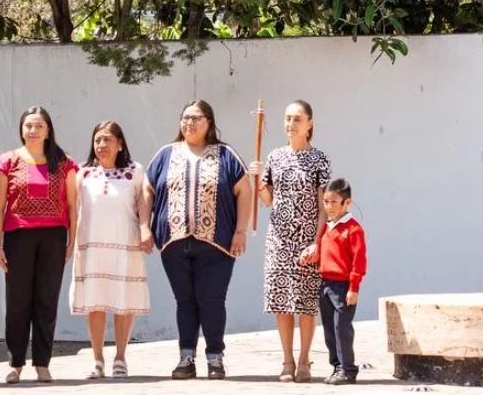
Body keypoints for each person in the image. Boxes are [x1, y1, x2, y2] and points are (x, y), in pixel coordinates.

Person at [146, 100, 251, 381]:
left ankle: (215, 357)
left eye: (196, 118)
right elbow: (147, 189)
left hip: (217, 243)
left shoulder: (226, 155)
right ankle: (186, 358)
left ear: (209, 122)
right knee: (185, 301)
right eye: (185, 117)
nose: (189, 123)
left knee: (212, 299)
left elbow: (244, 190)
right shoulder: (165, 154)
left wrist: (240, 231)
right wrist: (145, 226)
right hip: (174, 242)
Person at [0, 107, 79, 384]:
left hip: (54, 237)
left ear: (48, 130)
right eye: (28, 125)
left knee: (46, 300)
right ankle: (15, 362)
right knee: (17, 300)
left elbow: (73, 205)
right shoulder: (7, 161)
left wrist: (72, 240)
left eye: (39, 126)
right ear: (21, 129)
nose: (33, 131)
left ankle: (42, 363)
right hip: (17, 236)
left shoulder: (64, 163)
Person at [248, 101, 330, 383]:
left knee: (306, 302)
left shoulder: (319, 159)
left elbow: (323, 205)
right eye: (287, 118)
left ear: (309, 123)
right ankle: (287, 360)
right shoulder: (275, 157)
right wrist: (257, 182)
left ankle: (305, 359)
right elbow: (268, 200)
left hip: (307, 238)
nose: (291, 124)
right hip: (279, 239)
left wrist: (318, 241)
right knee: (281, 301)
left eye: (297, 119)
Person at [70, 121, 152, 380]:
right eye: (97, 140)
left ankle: (120, 358)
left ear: (120, 144)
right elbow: (72, 208)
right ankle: (97, 359)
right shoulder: (82, 172)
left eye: (107, 139)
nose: (102, 145)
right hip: (91, 245)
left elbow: (144, 202)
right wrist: (70, 240)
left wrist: (145, 229)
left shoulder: (134, 171)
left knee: (123, 301)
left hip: (125, 244)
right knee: (95, 302)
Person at [306, 178, 366, 386]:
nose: (329, 207)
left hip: (343, 287)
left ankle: (348, 369)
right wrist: (311, 257)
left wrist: (354, 288)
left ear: (347, 203)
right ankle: (337, 366)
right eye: (326, 202)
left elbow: (359, 261)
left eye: (334, 202)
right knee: (330, 330)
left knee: (342, 329)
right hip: (325, 285)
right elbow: (326, 254)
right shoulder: (327, 228)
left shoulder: (353, 229)